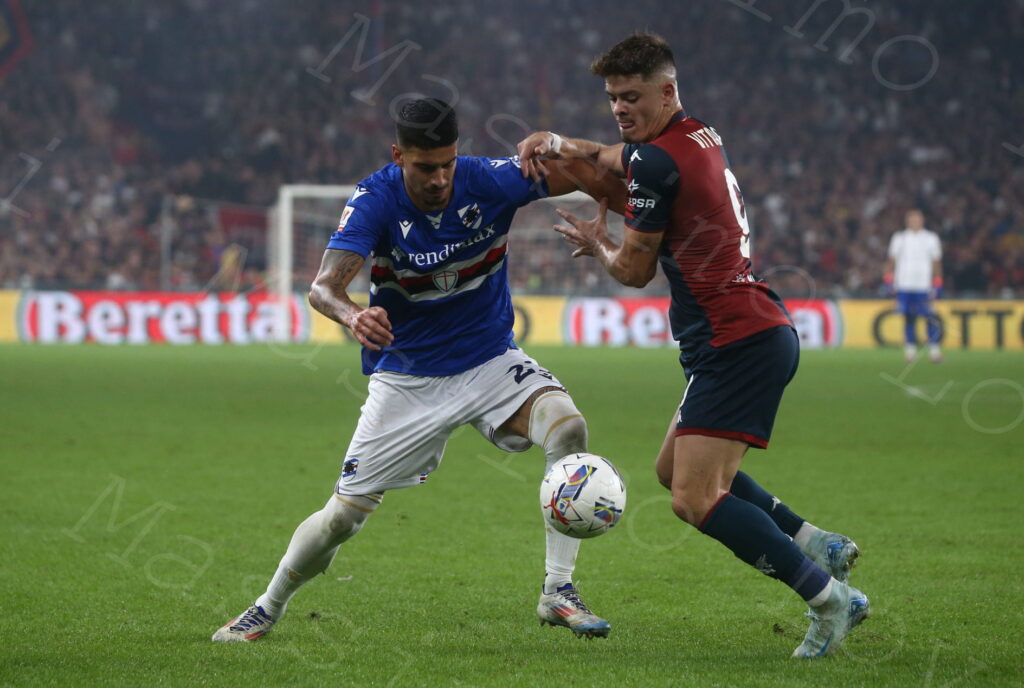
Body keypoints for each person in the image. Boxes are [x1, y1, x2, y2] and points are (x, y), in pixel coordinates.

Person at [212, 98, 628, 642]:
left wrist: (598, 183)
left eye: (447, 164)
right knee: (343, 518)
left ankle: (558, 591)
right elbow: (322, 287)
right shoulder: (375, 199)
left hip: (490, 359)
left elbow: (601, 172)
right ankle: (267, 606)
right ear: (398, 155)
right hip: (409, 377)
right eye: (425, 167)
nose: (439, 179)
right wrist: (352, 314)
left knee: (568, 427)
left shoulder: (490, 180)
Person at [516, 33, 869, 658]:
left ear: (667, 91)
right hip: (749, 331)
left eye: (632, 97)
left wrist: (597, 240)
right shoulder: (697, 134)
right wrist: (560, 143)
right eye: (613, 98)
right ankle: (820, 545)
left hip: (735, 341)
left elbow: (633, 271)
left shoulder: (654, 162)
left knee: (693, 497)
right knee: (670, 470)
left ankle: (829, 599)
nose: (621, 109)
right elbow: (613, 157)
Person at [885, 209, 943, 363]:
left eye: (917, 219)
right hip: (904, 284)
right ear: (907, 221)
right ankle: (910, 352)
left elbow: (936, 261)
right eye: (912, 219)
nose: (915, 222)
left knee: (929, 317)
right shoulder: (899, 238)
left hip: (924, 285)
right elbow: (891, 260)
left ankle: (934, 352)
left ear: (922, 220)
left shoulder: (931, 238)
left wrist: (938, 282)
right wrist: (888, 280)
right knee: (908, 318)